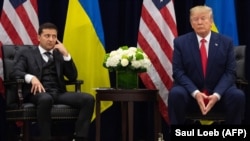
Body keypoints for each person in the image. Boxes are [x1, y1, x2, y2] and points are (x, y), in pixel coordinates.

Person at [10, 22, 95, 141]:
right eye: (47, 36)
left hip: (58, 93)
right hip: (36, 93)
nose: (51, 40)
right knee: (46, 99)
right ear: (38, 37)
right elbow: (15, 72)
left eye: (54, 36)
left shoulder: (59, 54)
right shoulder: (27, 53)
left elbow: (72, 77)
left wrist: (66, 55)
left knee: (88, 99)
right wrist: (31, 78)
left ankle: (79, 137)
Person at [168, 5, 245, 124]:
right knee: (176, 94)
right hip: (191, 94)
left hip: (220, 94)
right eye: (195, 19)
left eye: (203, 18)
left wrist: (217, 94)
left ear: (211, 21)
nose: (199, 22)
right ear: (191, 23)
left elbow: (230, 72)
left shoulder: (226, 42)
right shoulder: (180, 42)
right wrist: (196, 93)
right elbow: (178, 72)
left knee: (237, 95)